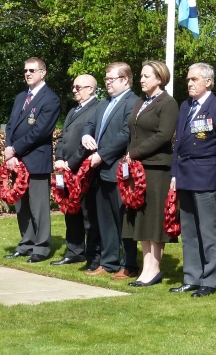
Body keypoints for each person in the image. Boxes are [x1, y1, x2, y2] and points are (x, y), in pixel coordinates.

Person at [169, 63, 216, 297]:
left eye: (194, 79)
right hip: (185, 174)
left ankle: (210, 280)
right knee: (188, 230)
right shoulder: (185, 106)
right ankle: (191, 277)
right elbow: (178, 144)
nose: (189, 83)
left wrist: (215, 166)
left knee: (207, 230)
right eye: (188, 79)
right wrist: (175, 174)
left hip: (206, 175)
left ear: (208, 82)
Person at [122, 61, 179, 287]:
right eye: (141, 75)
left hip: (157, 169)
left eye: (147, 76)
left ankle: (154, 269)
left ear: (160, 78)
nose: (142, 79)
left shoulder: (168, 103)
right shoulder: (140, 102)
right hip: (138, 168)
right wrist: (129, 156)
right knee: (142, 219)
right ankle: (146, 267)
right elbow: (133, 132)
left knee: (155, 220)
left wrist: (134, 153)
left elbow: (163, 135)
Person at [81, 62, 138, 277]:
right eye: (105, 79)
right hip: (101, 171)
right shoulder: (105, 103)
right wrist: (86, 135)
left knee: (124, 219)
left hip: (119, 170)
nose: (107, 83)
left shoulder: (132, 102)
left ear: (125, 80)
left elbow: (125, 135)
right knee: (105, 219)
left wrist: (102, 154)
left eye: (111, 79)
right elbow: (90, 124)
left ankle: (129, 264)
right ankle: (108, 262)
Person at [3, 57, 61, 262]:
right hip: (17, 161)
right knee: (22, 207)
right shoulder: (21, 97)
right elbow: (10, 125)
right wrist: (9, 149)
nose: (27, 73)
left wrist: (14, 149)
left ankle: (42, 247)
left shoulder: (50, 98)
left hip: (36, 161)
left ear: (43, 73)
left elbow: (40, 131)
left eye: (32, 70)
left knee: (39, 207)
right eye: (25, 70)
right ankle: (26, 243)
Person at [51, 74, 100, 268]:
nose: (74, 90)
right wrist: (59, 159)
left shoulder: (97, 109)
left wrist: (71, 163)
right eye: (73, 86)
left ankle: (93, 255)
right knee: (70, 211)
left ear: (91, 89)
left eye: (78, 87)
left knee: (88, 214)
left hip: (84, 172)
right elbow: (63, 138)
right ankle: (74, 251)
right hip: (67, 169)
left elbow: (89, 142)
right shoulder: (72, 111)